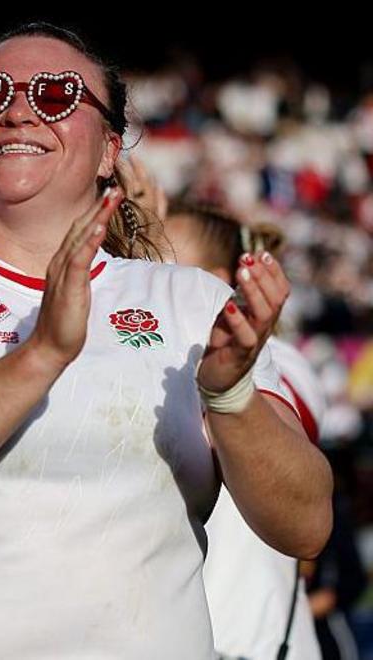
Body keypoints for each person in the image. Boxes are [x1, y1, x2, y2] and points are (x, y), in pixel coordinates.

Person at [0, 23, 332, 658]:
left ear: (110, 150)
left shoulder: (188, 302)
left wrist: (232, 395)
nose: (18, 111)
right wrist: (39, 357)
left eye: (54, 95)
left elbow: (304, 525)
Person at [165, 201, 324, 659]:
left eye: (159, 263)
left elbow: (288, 427)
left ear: (216, 282)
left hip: (254, 648)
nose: (142, 279)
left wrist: (226, 382)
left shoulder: (282, 362)